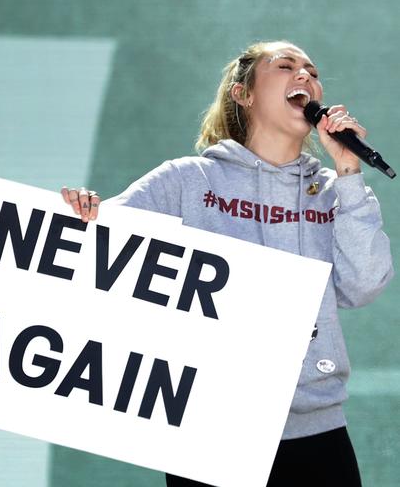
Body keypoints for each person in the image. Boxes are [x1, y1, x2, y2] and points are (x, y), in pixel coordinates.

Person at [61, 40, 394, 486]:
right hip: (209, 432)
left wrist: (350, 172)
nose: (306, 77)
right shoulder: (186, 181)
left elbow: (365, 285)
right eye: (286, 66)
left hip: (318, 432)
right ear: (244, 94)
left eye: (312, 71)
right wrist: (80, 212)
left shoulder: (337, 191)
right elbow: (92, 252)